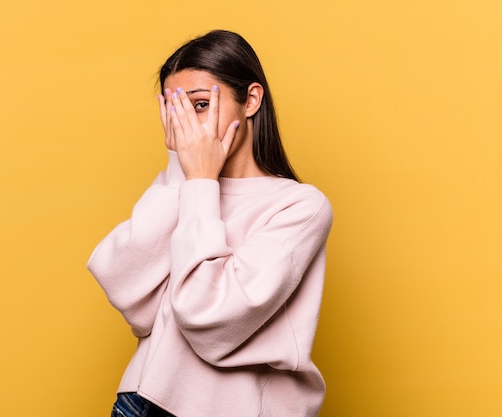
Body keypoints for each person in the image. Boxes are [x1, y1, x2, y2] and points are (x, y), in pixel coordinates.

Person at [87, 29, 333, 417]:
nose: (188, 126)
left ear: (250, 100)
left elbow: (210, 319)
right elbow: (128, 291)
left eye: (200, 105)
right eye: (175, 110)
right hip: (139, 403)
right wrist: (182, 174)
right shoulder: (183, 187)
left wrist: (199, 183)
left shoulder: (299, 207)